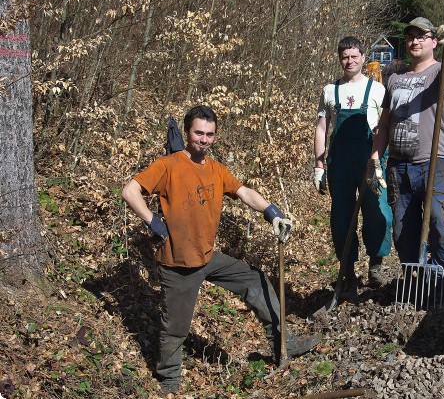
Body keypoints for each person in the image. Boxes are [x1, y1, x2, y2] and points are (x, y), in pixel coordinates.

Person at [122, 105, 320, 394]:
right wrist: (152, 220)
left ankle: (283, 344)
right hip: (178, 265)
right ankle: (170, 380)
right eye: (198, 133)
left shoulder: (216, 169)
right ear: (188, 132)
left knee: (257, 281)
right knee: (176, 327)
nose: (203, 139)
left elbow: (244, 192)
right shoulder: (169, 165)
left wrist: (272, 212)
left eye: (209, 134)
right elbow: (130, 191)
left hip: (207, 257)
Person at [366, 17, 444, 307]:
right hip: (399, 167)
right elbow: (384, 123)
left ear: (434, 42)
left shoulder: (440, 72)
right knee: (402, 230)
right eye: (410, 36)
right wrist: (375, 158)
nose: (415, 41)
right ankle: (417, 283)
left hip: (434, 163)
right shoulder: (395, 79)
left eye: (422, 36)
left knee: (440, 223)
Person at [313, 36, 393, 298]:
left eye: (354, 56)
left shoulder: (377, 90)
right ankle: (347, 270)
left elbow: (385, 127)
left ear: (362, 57)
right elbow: (322, 128)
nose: (350, 61)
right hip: (340, 162)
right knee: (341, 215)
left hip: (369, 160)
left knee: (377, 209)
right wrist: (318, 165)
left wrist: (380, 160)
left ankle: (376, 264)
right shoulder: (330, 90)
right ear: (340, 59)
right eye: (345, 57)